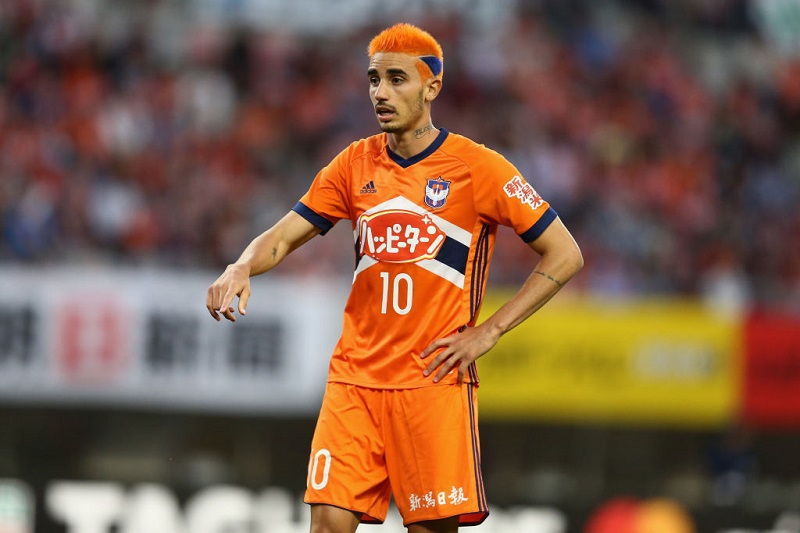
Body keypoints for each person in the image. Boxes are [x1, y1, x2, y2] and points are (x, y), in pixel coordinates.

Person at [206, 22, 583, 533]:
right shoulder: (353, 163)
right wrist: (242, 265)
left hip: (432, 381)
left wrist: (490, 330)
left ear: (432, 87)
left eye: (396, 79)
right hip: (354, 380)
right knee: (327, 524)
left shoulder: (478, 167)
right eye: (374, 79)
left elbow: (564, 253)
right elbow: (283, 236)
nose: (380, 93)